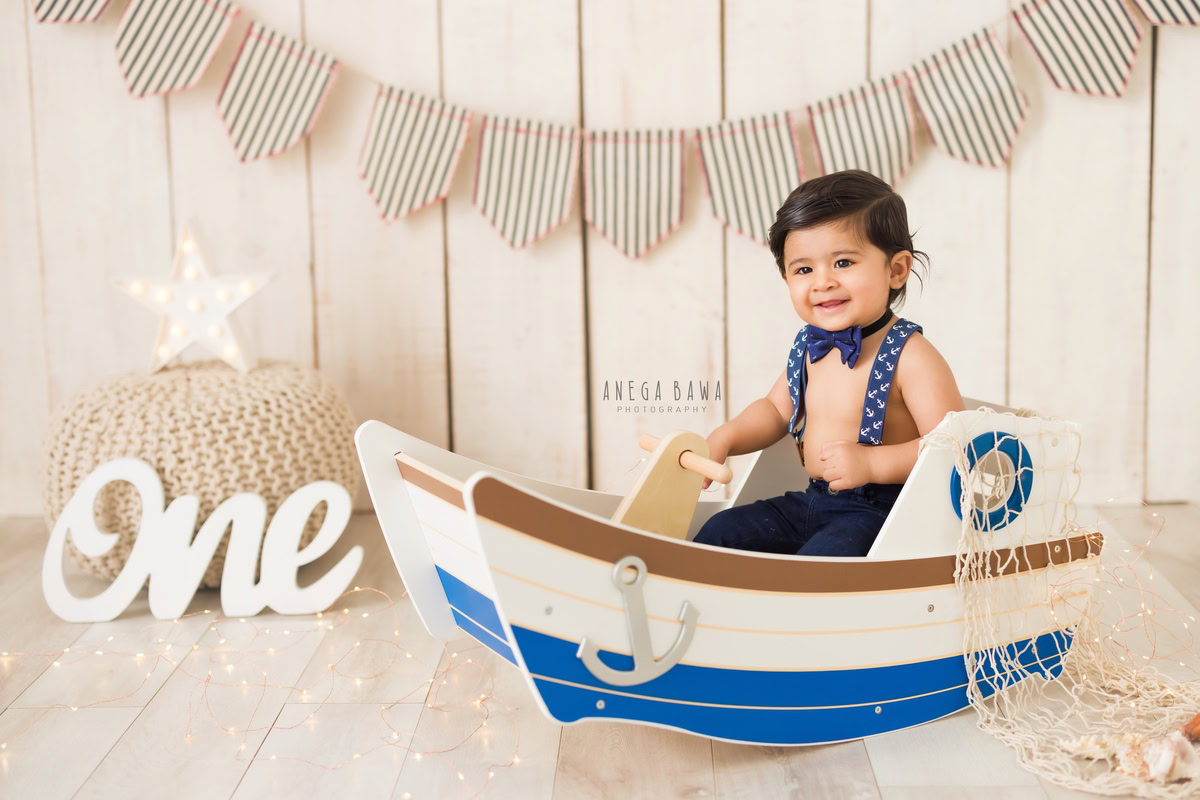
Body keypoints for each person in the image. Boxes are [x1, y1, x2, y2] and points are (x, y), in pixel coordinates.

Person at [692, 169, 964, 557]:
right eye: (804, 269)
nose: (822, 282)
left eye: (842, 263)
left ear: (896, 270)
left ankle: (797, 614)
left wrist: (873, 463)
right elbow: (773, 410)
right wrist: (726, 437)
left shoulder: (911, 355)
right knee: (720, 533)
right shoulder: (808, 346)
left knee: (820, 566)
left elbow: (951, 447)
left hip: (884, 512)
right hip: (814, 500)